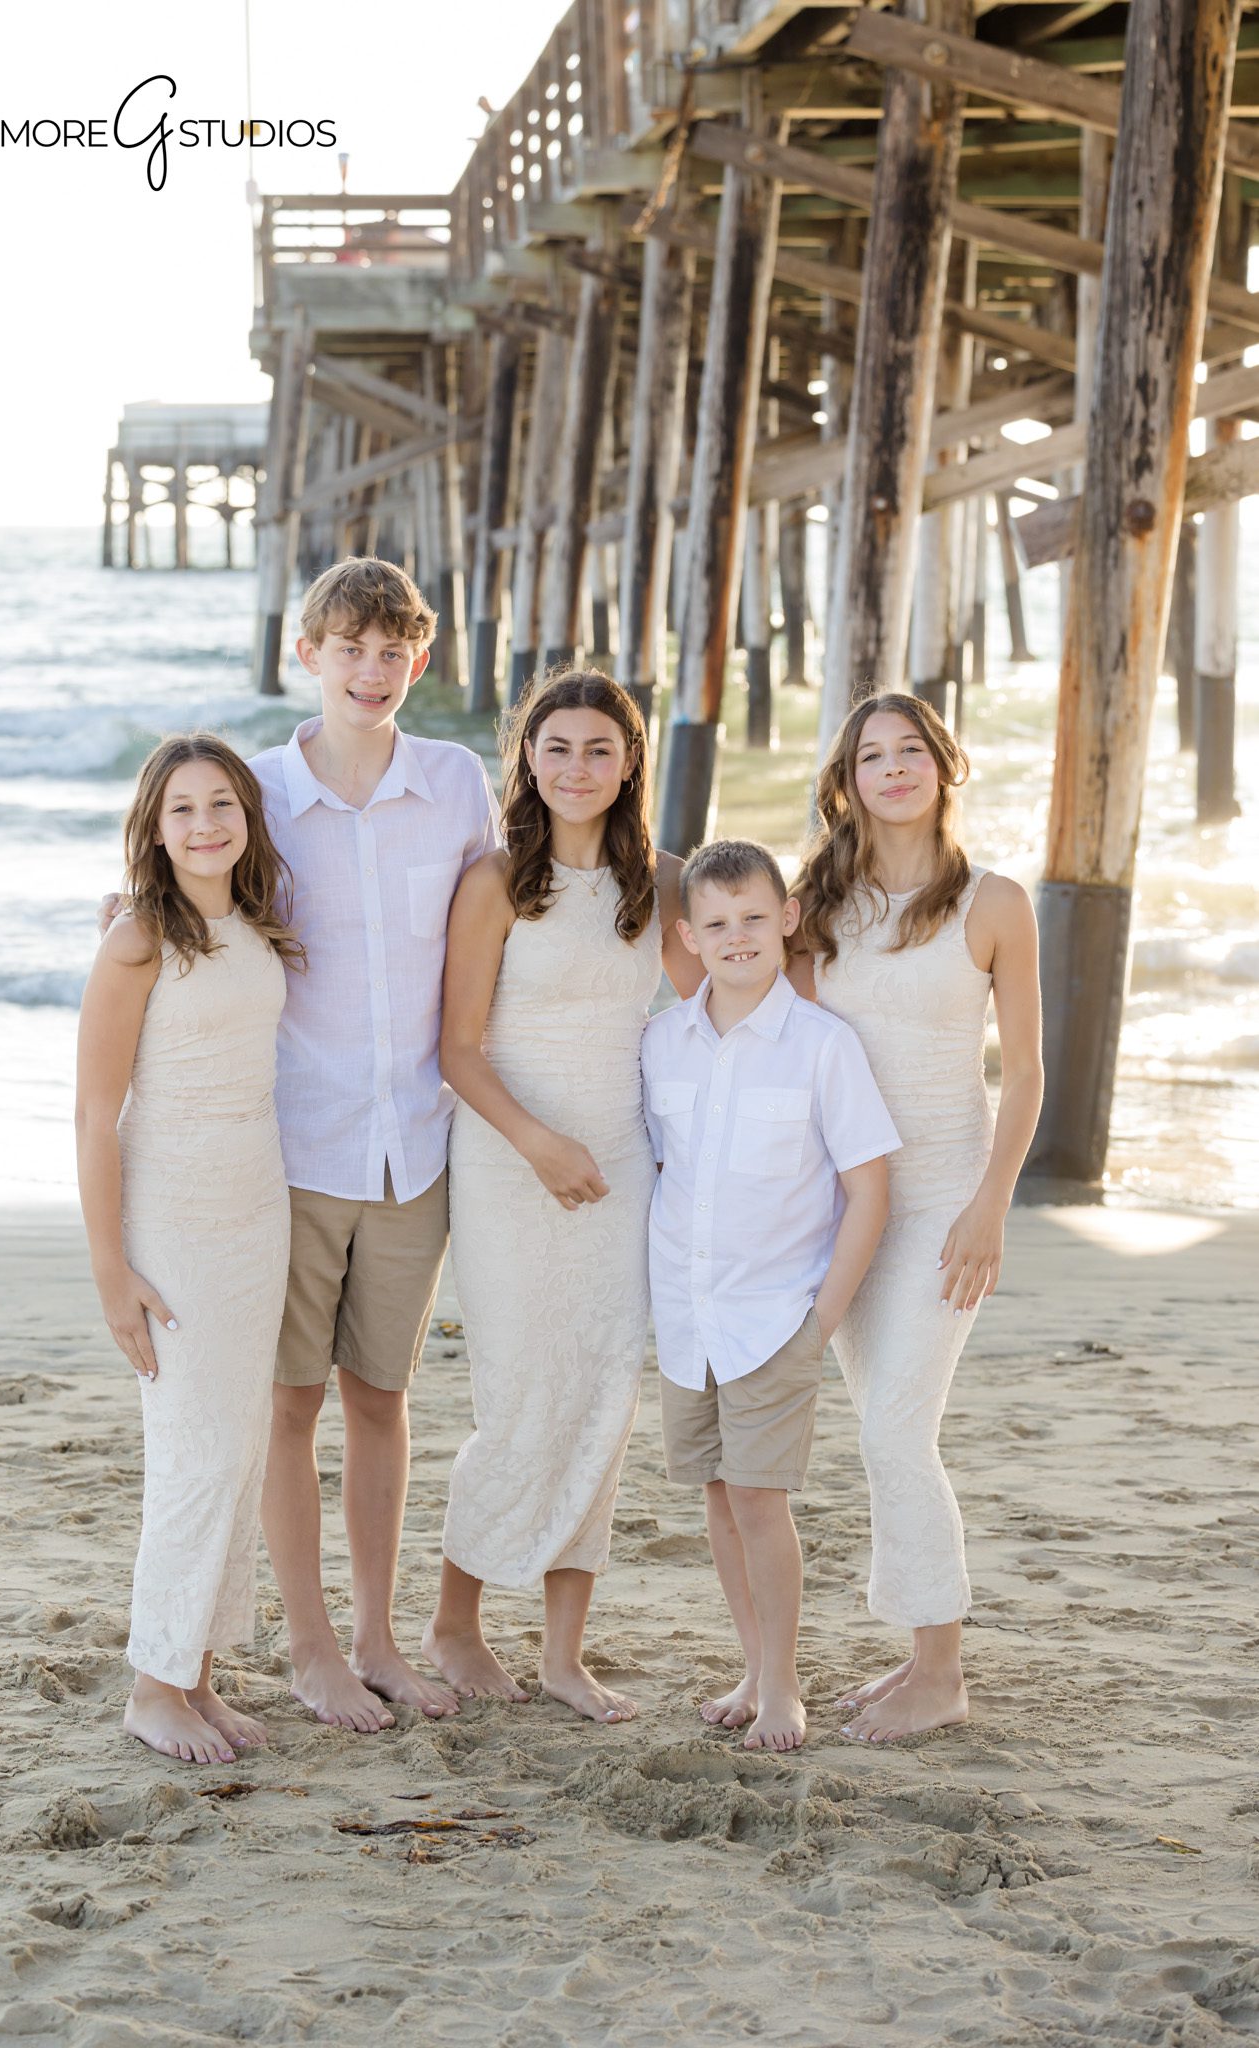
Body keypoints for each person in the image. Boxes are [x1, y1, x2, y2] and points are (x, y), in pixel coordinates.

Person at [421, 670, 703, 1722]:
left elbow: (733, 980)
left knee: (602, 1397)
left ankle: (564, 1656)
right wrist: (539, 1142)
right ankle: (454, 1621)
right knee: (519, 1396)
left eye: (599, 748)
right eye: (557, 747)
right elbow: (455, 1046)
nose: (577, 766)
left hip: (622, 1165)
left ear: (631, 760)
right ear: (526, 760)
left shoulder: (663, 882)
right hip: (508, 1157)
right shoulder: (496, 880)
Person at [250, 557, 500, 1733]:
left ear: (422, 657)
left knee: (382, 1397)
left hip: (418, 1144)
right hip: (296, 1146)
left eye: (393, 649)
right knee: (291, 1403)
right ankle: (308, 1649)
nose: (371, 668)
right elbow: (177, 900)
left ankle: (379, 1639)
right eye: (349, 647)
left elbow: (530, 904)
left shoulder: (456, 783)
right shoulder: (253, 794)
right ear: (308, 654)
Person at [789, 692, 1043, 1743]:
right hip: (846, 1201)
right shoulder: (819, 900)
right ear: (847, 779)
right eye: (871, 755)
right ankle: (916, 1652)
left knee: (900, 1423)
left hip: (945, 1196)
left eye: (911, 751)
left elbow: (1024, 1074)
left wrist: (991, 1205)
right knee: (883, 1425)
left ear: (944, 764)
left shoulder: (995, 901)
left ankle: (941, 1669)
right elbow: (778, 1036)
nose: (893, 769)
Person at [76, 733, 304, 1764]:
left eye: (223, 804)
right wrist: (112, 1271)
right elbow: (92, 1112)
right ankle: (152, 1684)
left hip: (257, 1206)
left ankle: (197, 1674)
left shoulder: (253, 925)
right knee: (195, 1452)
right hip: (173, 1215)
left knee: (237, 1444)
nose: (206, 823)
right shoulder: (135, 938)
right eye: (183, 809)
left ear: (247, 817)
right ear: (154, 827)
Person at [642, 840, 898, 1752]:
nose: (736, 936)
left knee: (759, 1498)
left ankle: (783, 1684)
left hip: (773, 1314)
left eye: (754, 917)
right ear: (687, 935)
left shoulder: (821, 1047)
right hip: (687, 1313)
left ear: (788, 920)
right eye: (715, 923)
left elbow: (869, 1187)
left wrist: (820, 1317)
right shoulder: (663, 1041)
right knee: (716, 1494)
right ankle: (752, 1667)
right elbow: (666, 1167)